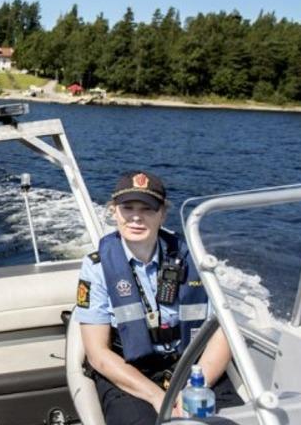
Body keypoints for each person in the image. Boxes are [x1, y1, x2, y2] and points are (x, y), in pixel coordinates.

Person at [73, 171, 242, 424]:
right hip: (129, 373)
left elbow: (222, 332)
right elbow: (98, 353)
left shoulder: (194, 259)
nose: (136, 217)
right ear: (114, 211)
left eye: (147, 209)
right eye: (127, 207)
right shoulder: (96, 268)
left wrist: (194, 387)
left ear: (162, 213)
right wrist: (158, 396)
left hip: (191, 368)